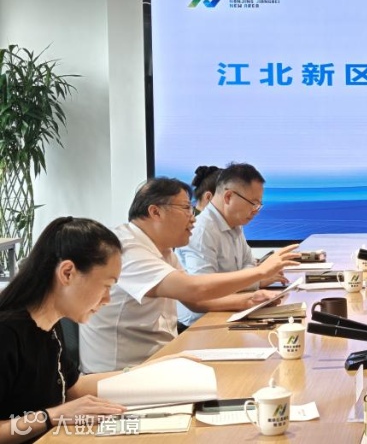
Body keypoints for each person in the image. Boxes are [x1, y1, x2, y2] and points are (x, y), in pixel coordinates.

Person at [80, 178, 300, 373]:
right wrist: (260, 272)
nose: (193, 218)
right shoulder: (125, 247)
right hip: (120, 372)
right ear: (155, 212)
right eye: (186, 208)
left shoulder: (162, 248)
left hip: (159, 358)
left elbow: (195, 301)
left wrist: (248, 300)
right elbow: (193, 288)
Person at [0, 217, 128, 442]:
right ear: (67, 273)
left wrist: (149, 373)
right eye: (106, 286)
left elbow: (73, 386)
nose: (108, 299)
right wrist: (52, 416)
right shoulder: (6, 333)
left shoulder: (50, 323)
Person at [176, 163, 287, 329]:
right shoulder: (201, 231)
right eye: (253, 203)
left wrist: (252, 280)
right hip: (200, 324)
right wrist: (253, 289)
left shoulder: (235, 223)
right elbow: (204, 293)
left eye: (259, 204)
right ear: (228, 197)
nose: (256, 210)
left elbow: (249, 264)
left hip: (229, 313)